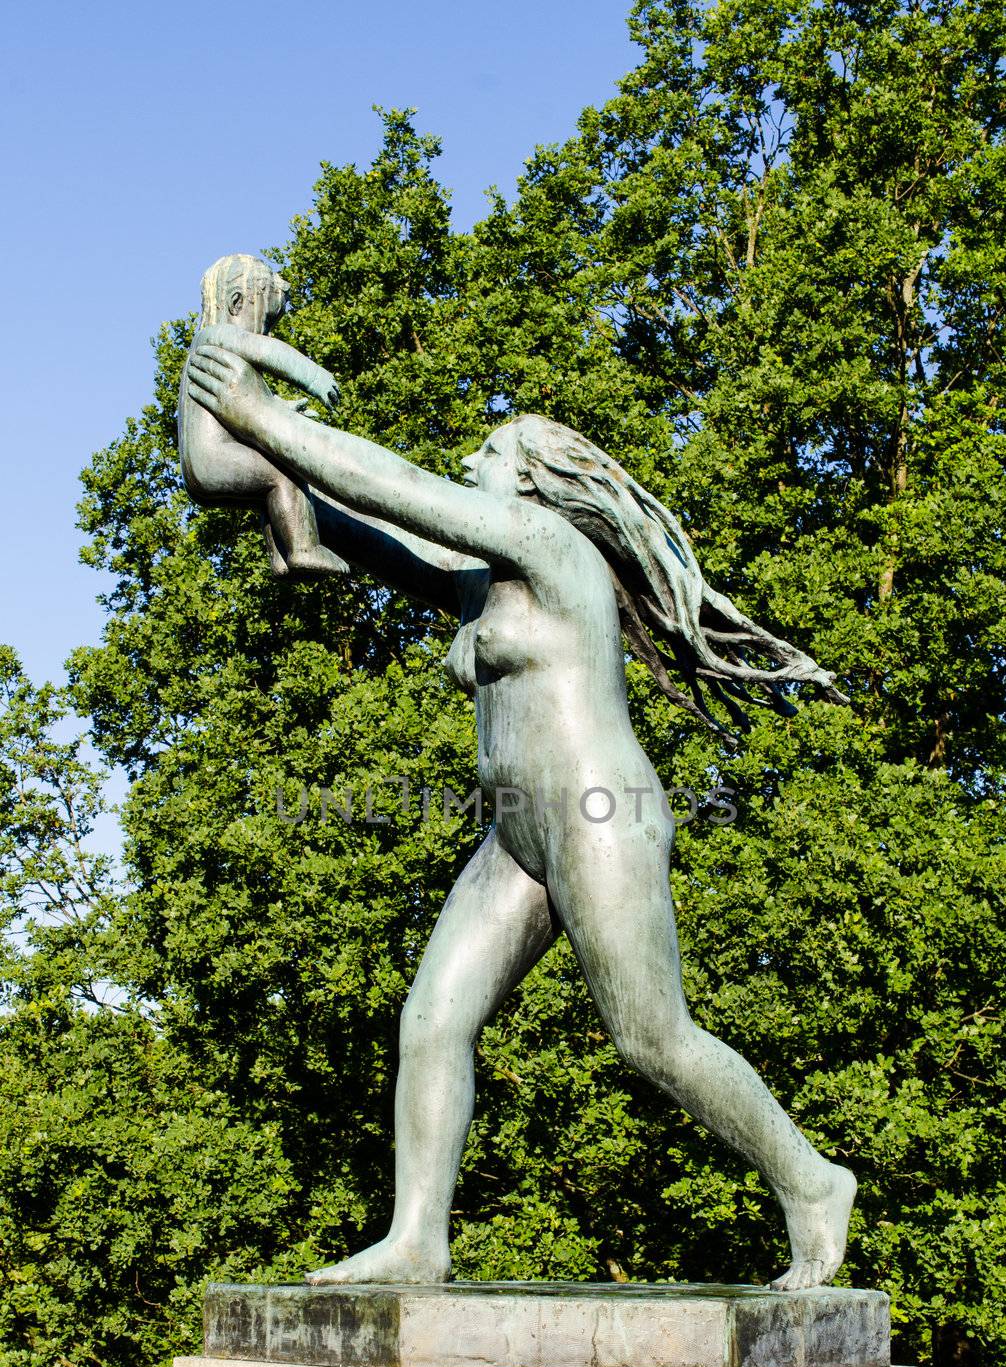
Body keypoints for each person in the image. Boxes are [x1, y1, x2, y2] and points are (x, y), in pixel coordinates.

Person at [187, 340, 857, 1292]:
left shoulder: (554, 549)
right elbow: (363, 519)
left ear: (536, 484)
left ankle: (811, 1181)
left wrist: (267, 417)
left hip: (597, 815)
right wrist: (262, 461)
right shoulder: (479, 580)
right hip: (517, 832)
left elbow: (403, 487)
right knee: (432, 1020)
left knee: (650, 1037)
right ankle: (418, 1238)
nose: (473, 464)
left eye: (493, 454)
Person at [178, 254, 347, 577]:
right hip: (214, 456)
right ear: (236, 302)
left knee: (265, 489)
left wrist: (283, 408)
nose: (264, 333)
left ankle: (280, 558)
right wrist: (313, 376)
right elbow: (268, 351)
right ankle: (303, 549)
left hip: (205, 462)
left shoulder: (211, 353)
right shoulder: (216, 336)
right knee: (283, 471)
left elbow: (244, 406)